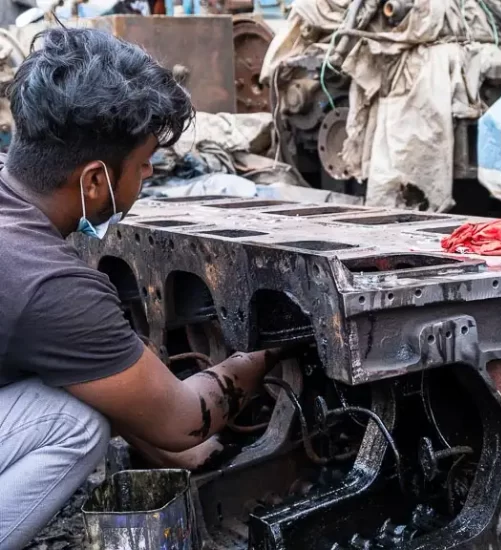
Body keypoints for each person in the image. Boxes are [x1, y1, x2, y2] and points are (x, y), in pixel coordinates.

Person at [0, 27, 288, 549]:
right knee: (75, 424)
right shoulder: (47, 283)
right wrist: (266, 355)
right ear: (94, 180)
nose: (149, 174)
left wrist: (167, 448)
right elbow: (182, 421)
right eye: (144, 163)